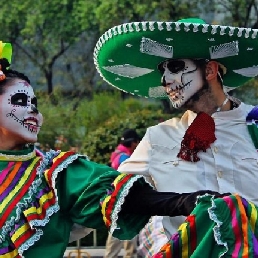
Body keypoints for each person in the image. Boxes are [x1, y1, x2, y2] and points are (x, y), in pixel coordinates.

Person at [0, 43, 225, 258]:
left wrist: (184, 202)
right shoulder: (158, 137)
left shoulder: (53, 173)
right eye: (19, 101)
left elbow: (127, 196)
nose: (32, 110)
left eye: (35, 104)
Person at [93, 17, 258, 256]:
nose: (164, 80)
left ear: (210, 70)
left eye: (175, 67)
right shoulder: (157, 137)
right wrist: (176, 203)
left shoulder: (254, 124)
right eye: (162, 71)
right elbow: (111, 196)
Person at [105, 128, 140, 258]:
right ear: (132, 143)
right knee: (122, 240)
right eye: (137, 142)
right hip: (124, 204)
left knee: (123, 239)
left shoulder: (116, 155)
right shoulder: (125, 159)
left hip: (117, 203)